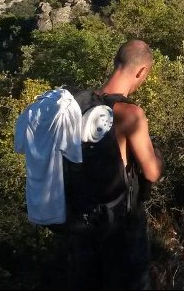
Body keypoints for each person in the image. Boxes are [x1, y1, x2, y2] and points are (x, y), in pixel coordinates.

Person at [66, 39, 163, 290]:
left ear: (115, 62)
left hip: (80, 224)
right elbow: (151, 172)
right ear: (141, 72)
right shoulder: (129, 113)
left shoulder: (78, 105)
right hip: (120, 230)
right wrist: (158, 156)